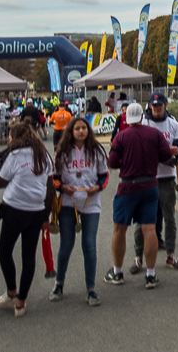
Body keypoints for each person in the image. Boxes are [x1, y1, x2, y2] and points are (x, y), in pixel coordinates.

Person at [104, 103, 175, 289]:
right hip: (151, 184)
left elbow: (112, 162)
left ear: (126, 117)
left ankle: (117, 272)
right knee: (149, 229)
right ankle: (151, 275)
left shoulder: (121, 136)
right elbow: (166, 155)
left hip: (128, 185)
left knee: (120, 229)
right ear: (142, 115)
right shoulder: (155, 134)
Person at [0, 123, 54, 317]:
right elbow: (51, 187)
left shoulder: (14, 155)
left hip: (14, 208)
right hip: (36, 210)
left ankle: (12, 290)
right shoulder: (44, 155)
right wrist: (47, 214)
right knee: (28, 256)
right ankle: (21, 302)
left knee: (5, 250)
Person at [52, 116, 109, 306]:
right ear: (71, 131)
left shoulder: (97, 150)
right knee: (66, 245)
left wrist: (98, 188)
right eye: (77, 128)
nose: (81, 131)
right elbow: (55, 178)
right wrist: (62, 188)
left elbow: (104, 175)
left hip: (91, 204)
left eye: (84, 128)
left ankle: (91, 289)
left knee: (89, 245)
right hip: (68, 205)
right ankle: (59, 283)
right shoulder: (62, 152)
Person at [131, 93, 178, 275]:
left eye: (160, 106)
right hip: (146, 177)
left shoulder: (172, 123)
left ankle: (170, 255)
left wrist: (177, 152)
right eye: (154, 106)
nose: (156, 109)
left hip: (167, 176)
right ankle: (138, 258)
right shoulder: (143, 123)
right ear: (149, 107)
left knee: (169, 217)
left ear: (165, 105)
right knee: (142, 220)